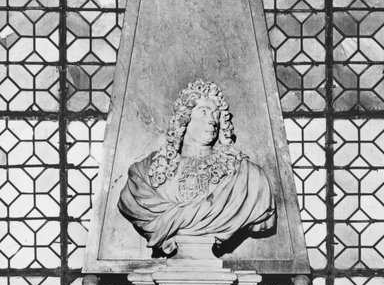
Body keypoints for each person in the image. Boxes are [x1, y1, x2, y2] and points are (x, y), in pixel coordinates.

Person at [118, 78, 275, 256]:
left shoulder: (248, 176)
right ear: (184, 119)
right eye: (204, 112)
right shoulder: (145, 172)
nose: (212, 121)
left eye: (216, 114)